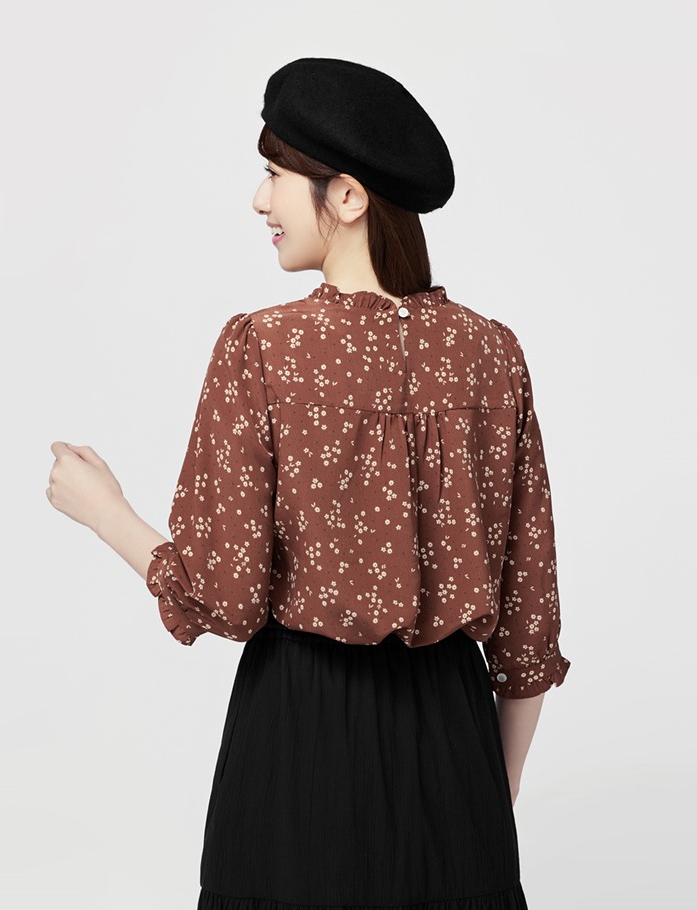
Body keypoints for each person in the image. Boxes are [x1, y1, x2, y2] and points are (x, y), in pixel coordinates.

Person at [47, 57, 570, 910]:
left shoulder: (264, 348)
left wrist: (107, 514)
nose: (261, 200)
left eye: (276, 174)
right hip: (456, 751)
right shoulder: (491, 355)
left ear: (349, 197)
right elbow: (527, 625)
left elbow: (224, 597)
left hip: (297, 743)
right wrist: (486, 803)